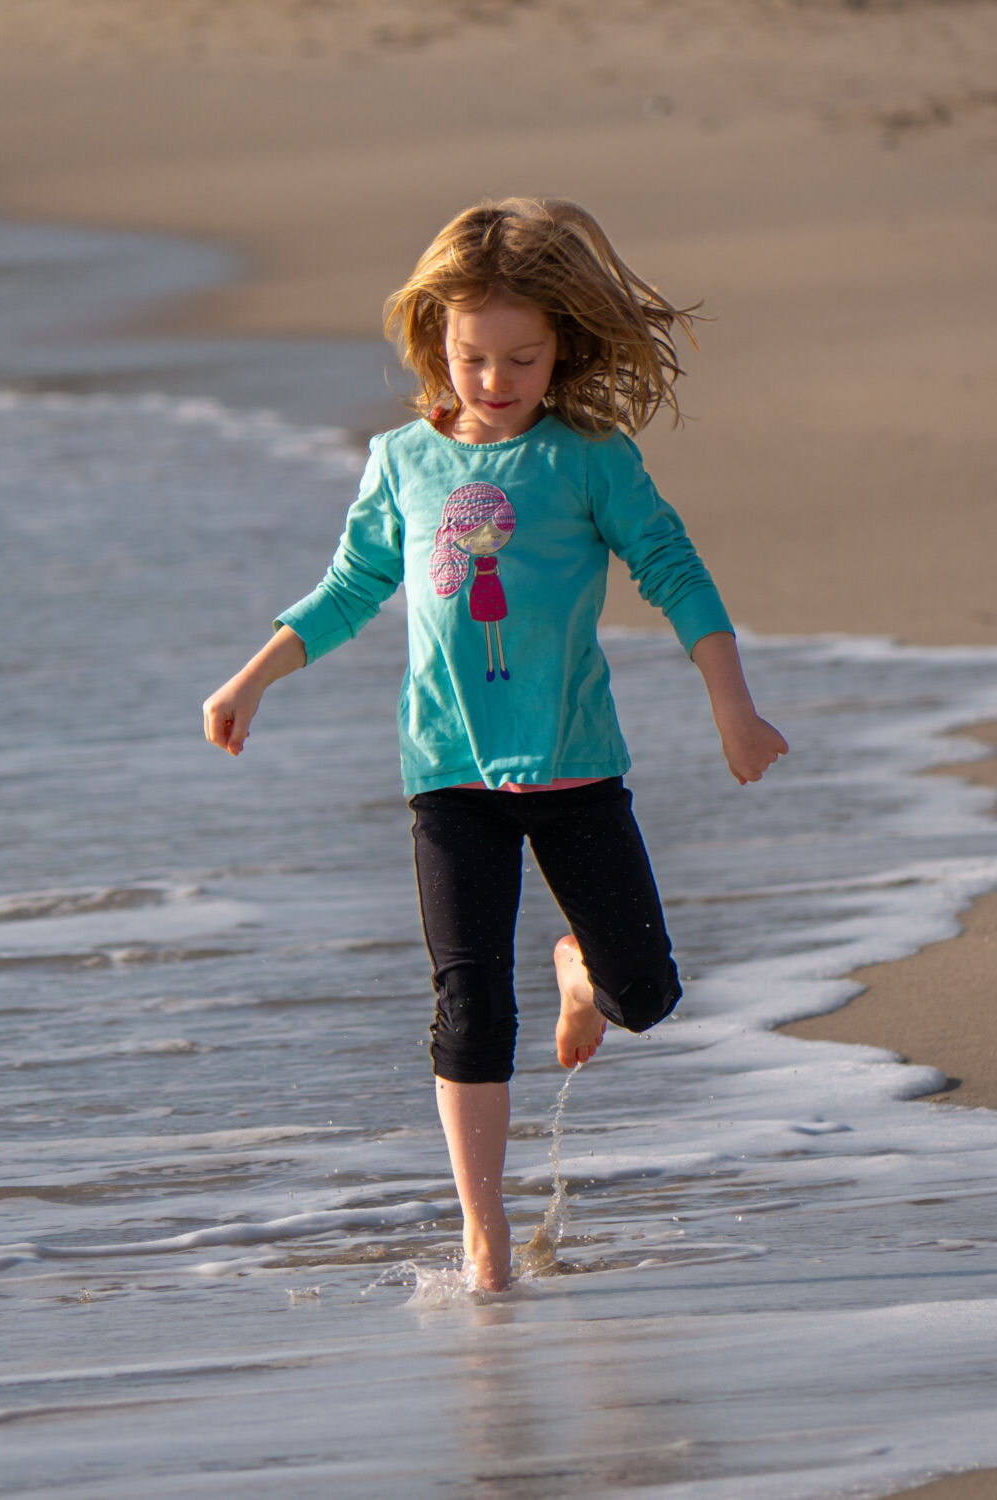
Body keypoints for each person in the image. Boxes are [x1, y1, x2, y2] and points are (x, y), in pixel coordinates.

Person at [203, 197, 787, 1293]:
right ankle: (486, 1238)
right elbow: (350, 589)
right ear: (438, 341)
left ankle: (583, 973)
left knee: (645, 996)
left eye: (522, 358)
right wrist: (252, 678)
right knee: (469, 1008)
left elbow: (674, 569)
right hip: (449, 778)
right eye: (474, 357)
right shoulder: (403, 461)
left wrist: (732, 708)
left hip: (574, 769)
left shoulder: (587, 459)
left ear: (562, 346)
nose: (496, 379)